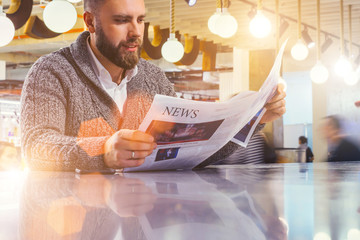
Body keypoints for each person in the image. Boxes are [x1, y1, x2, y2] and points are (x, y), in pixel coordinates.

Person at [20, 0, 286, 171]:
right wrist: (103, 151)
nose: (136, 32)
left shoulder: (154, 78)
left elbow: (194, 157)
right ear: (90, 22)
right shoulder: (51, 71)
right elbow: (35, 147)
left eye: (140, 19)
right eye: (122, 20)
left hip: (140, 224)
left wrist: (255, 119)